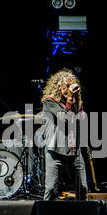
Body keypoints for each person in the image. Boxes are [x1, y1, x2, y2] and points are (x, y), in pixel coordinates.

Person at [41, 68, 88, 200]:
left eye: (70, 86)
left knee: (82, 188)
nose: (68, 89)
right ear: (58, 86)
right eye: (66, 86)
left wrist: (77, 100)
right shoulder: (50, 102)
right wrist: (69, 99)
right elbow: (64, 120)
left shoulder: (74, 103)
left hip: (74, 151)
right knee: (50, 189)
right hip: (55, 150)